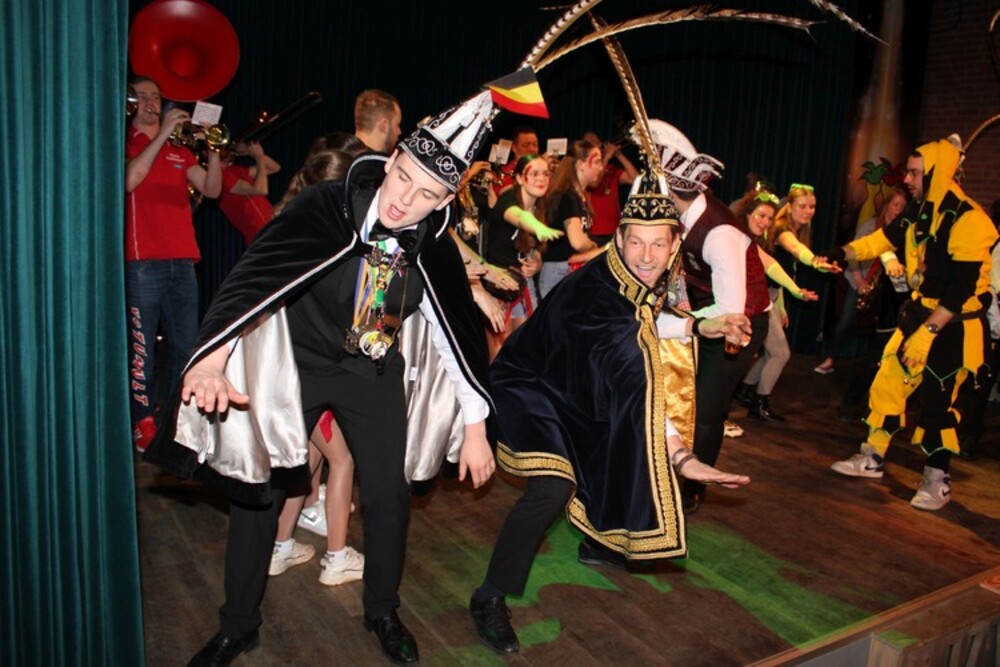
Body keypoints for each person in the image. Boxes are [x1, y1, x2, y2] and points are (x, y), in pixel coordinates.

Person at [145, 88, 508, 666]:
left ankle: (382, 610)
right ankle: (237, 625)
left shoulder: (434, 248)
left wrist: (475, 426)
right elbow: (255, 279)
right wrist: (211, 358)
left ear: (444, 200)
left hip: (371, 372)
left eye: (426, 194)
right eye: (404, 178)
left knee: (388, 494)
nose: (405, 200)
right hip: (301, 365)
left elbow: (453, 336)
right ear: (391, 160)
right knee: (260, 491)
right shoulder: (326, 207)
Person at [468, 176, 751, 656]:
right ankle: (488, 597)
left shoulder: (624, 277)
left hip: (573, 385)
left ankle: (596, 541)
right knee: (554, 484)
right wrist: (682, 457)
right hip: (531, 385)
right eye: (636, 242)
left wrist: (698, 326)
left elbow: (643, 319)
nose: (647, 256)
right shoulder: (599, 293)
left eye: (658, 244)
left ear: (675, 245)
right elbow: (633, 380)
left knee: (607, 447)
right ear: (618, 239)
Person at [826, 138, 997, 510]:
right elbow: (883, 239)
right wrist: (843, 252)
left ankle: (938, 480)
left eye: (916, 173)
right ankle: (872, 457)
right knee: (887, 385)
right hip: (919, 314)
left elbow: (961, 289)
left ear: (937, 173)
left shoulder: (969, 220)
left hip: (953, 326)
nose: (907, 179)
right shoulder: (920, 210)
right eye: (909, 171)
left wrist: (928, 333)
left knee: (938, 404)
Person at [652, 120, 770, 512]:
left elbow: (731, 311)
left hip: (739, 325)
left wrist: (683, 318)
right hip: (705, 317)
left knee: (706, 408)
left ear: (672, 191)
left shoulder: (718, 232)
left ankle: (692, 490)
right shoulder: (684, 219)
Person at [126, 75, 222, 452]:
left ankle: (172, 417)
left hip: (183, 260)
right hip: (143, 262)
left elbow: (212, 189)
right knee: (144, 350)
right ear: (131, 103)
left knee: (185, 346)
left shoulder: (180, 152)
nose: (151, 102)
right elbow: (130, 180)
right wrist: (163, 133)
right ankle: (142, 420)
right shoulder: (128, 142)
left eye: (156, 96)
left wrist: (214, 149)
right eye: (143, 96)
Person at [732, 191, 819, 421]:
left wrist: (781, 304)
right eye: (803, 206)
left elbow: (770, 269)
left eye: (812, 207)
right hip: (745, 303)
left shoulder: (761, 237)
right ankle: (753, 400)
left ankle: (746, 391)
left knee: (768, 353)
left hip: (763, 301)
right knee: (775, 353)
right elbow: (789, 253)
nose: (808, 211)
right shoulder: (779, 232)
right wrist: (815, 263)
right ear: (789, 206)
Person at [815, 187, 907, 374]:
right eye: (895, 204)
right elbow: (853, 253)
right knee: (845, 322)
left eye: (902, 207)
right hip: (862, 280)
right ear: (887, 206)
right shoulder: (870, 226)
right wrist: (860, 282)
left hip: (887, 288)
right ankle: (831, 359)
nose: (898, 210)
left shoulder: (903, 233)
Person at [481, 153, 563, 356]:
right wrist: (537, 227)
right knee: (500, 350)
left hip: (522, 284)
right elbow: (519, 217)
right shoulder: (508, 200)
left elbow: (535, 248)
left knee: (527, 347)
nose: (541, 178)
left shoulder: (541, 206)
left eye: (545, 174)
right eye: (534, 173)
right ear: (518, 178)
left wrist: (537, 261)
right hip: (498, 284)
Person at [538, 139, 603, 297]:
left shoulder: (579, 196)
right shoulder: (568, 196)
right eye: (597, 162)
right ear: (581, 164)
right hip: (560, 271)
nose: (601, 168)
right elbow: (578, 242)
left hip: (568, 270)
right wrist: (596, 247)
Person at [216, 141, 281, 245]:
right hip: (261, 236)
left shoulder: (233, 170)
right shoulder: (221, 176)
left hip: (272, 230)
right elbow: (261, 190)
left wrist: (250, 152)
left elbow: (274, 168)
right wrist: (258, 156)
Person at [582, 130, 638, 244]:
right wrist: (606, 157)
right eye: (590, 140)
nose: (595, 141)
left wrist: (619, 155)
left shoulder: (611, 168)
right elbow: (595, 182)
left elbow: (635, 178)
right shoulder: (585, 169)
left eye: (596, 139)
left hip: (614, 229)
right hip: (595, 229)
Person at [492, 125, 539, 197]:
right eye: (526, 145)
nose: (532, 149)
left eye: (535, 144)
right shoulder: (504, 175)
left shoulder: (543, 172)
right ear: (514, 148)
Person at [354, 89, 402, 153]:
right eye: (397, 125)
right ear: (384, 125)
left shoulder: (342, 154)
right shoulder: (382, 160)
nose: (399, 132)